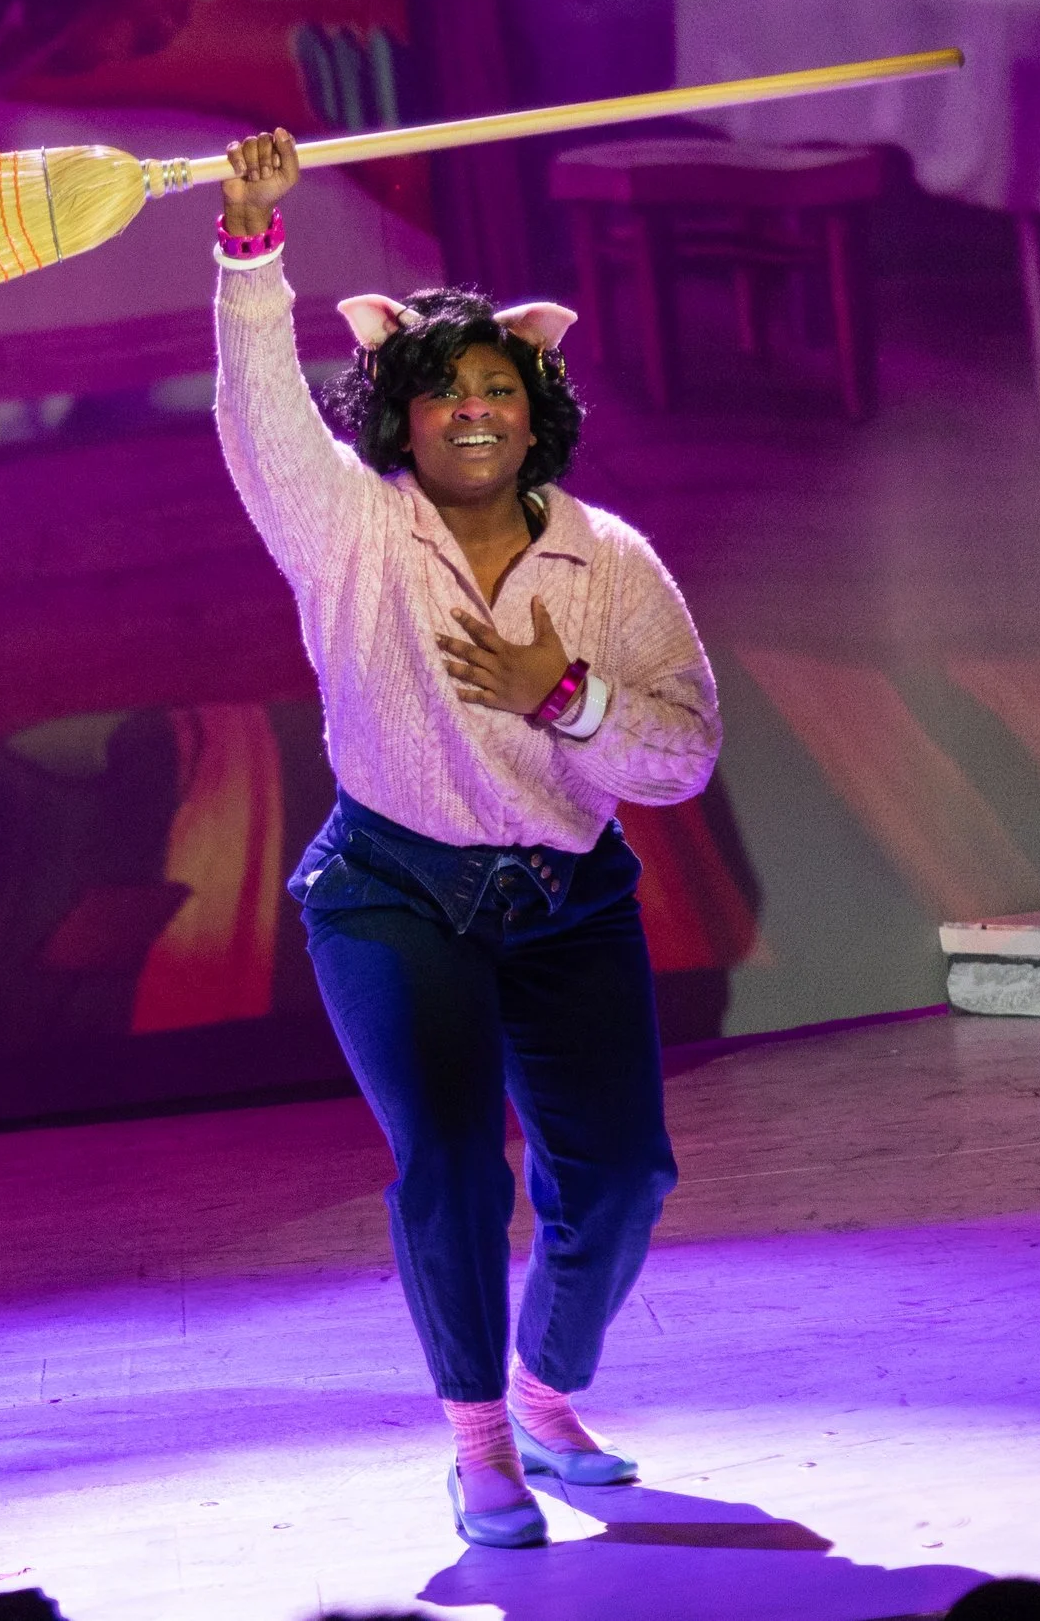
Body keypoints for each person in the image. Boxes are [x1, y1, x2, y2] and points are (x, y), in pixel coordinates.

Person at [212, 131, 719, 1548]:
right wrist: (250, 251)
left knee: (623, 1176)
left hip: (567, 897)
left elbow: (681, 752)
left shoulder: (608, 559)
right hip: (393, 894)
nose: (474, 410)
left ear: (537, 407)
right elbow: (260, 429)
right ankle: (478, 1440)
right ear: (401, 416)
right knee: (450, 1165)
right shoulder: (349, 531)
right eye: (443, 391)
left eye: (500, 386)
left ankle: (550, 1395)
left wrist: (563, 695)